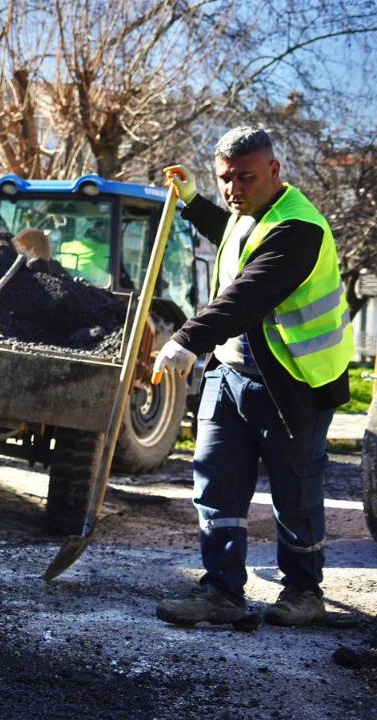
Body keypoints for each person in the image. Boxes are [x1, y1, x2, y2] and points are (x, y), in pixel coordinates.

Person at [153, 127, 352, 627]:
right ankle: (221, 593)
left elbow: (247, 295)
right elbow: (230, 235)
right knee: (216, 487)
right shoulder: (249, 218)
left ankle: (304, 593)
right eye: (225, 179)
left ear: (274, 172)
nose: (233, 189)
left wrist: (184, 340)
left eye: (245, 178)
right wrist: (195, 200)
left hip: (291, 384)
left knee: (295, 495)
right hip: (229, 377)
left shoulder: (299, 228)